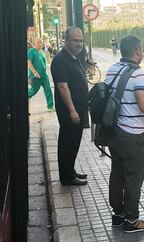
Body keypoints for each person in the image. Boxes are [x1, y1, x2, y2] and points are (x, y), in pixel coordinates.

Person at [104, 35, 144, 232]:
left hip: (114, 132)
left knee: (117, 174)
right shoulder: (139, 74)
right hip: (133, 135)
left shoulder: (111, 70)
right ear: (138, 51)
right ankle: (132, 220)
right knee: (133, 178)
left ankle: (118, 215)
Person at [51, 26, 88, 186]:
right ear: (66, 40)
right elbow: (62, 87)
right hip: (69, 110)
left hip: (78, 108)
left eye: (81, 41)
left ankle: (70, 170)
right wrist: (72, 110)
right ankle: (66, 176)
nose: (79, 44)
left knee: (74, 140)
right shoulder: (60, 59)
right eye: (75, 40)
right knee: (67, 141)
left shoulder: (73, 57)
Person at [28, 37, 54, 111]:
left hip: (44, 75)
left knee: (48, 90)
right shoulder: (31, 51)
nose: (40, 44)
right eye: (38, 42)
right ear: (35, 42)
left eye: (41, 42)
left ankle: (50, 106)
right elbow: (29, 63)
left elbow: (45, 62)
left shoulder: (42, 51)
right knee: (33, 91)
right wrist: (34, 72)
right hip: (36, 76)